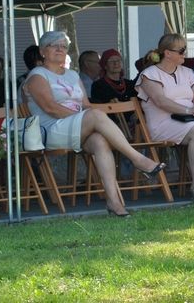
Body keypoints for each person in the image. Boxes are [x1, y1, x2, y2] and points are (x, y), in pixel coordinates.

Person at [22, 31, 165, 217]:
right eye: (54, 45)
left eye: (63, 46)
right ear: (42, 51)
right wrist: (84, 117)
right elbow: (51, 109)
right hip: (51, 130)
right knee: (95, 115)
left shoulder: (72, 75)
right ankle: (138, 159)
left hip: (76, 128)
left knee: (99, 141)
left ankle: (114, 202)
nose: (60, 49)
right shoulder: (37, 76)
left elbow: (86, 105)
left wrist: (84, 117)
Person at [136, 34, 194, 205]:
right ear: (168, 53)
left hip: (189, 119)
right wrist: (190, 110)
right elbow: (161, 101)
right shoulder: (149, 74)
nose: (185, 53)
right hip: (163, 123)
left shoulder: (187, 72)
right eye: (181, 50)